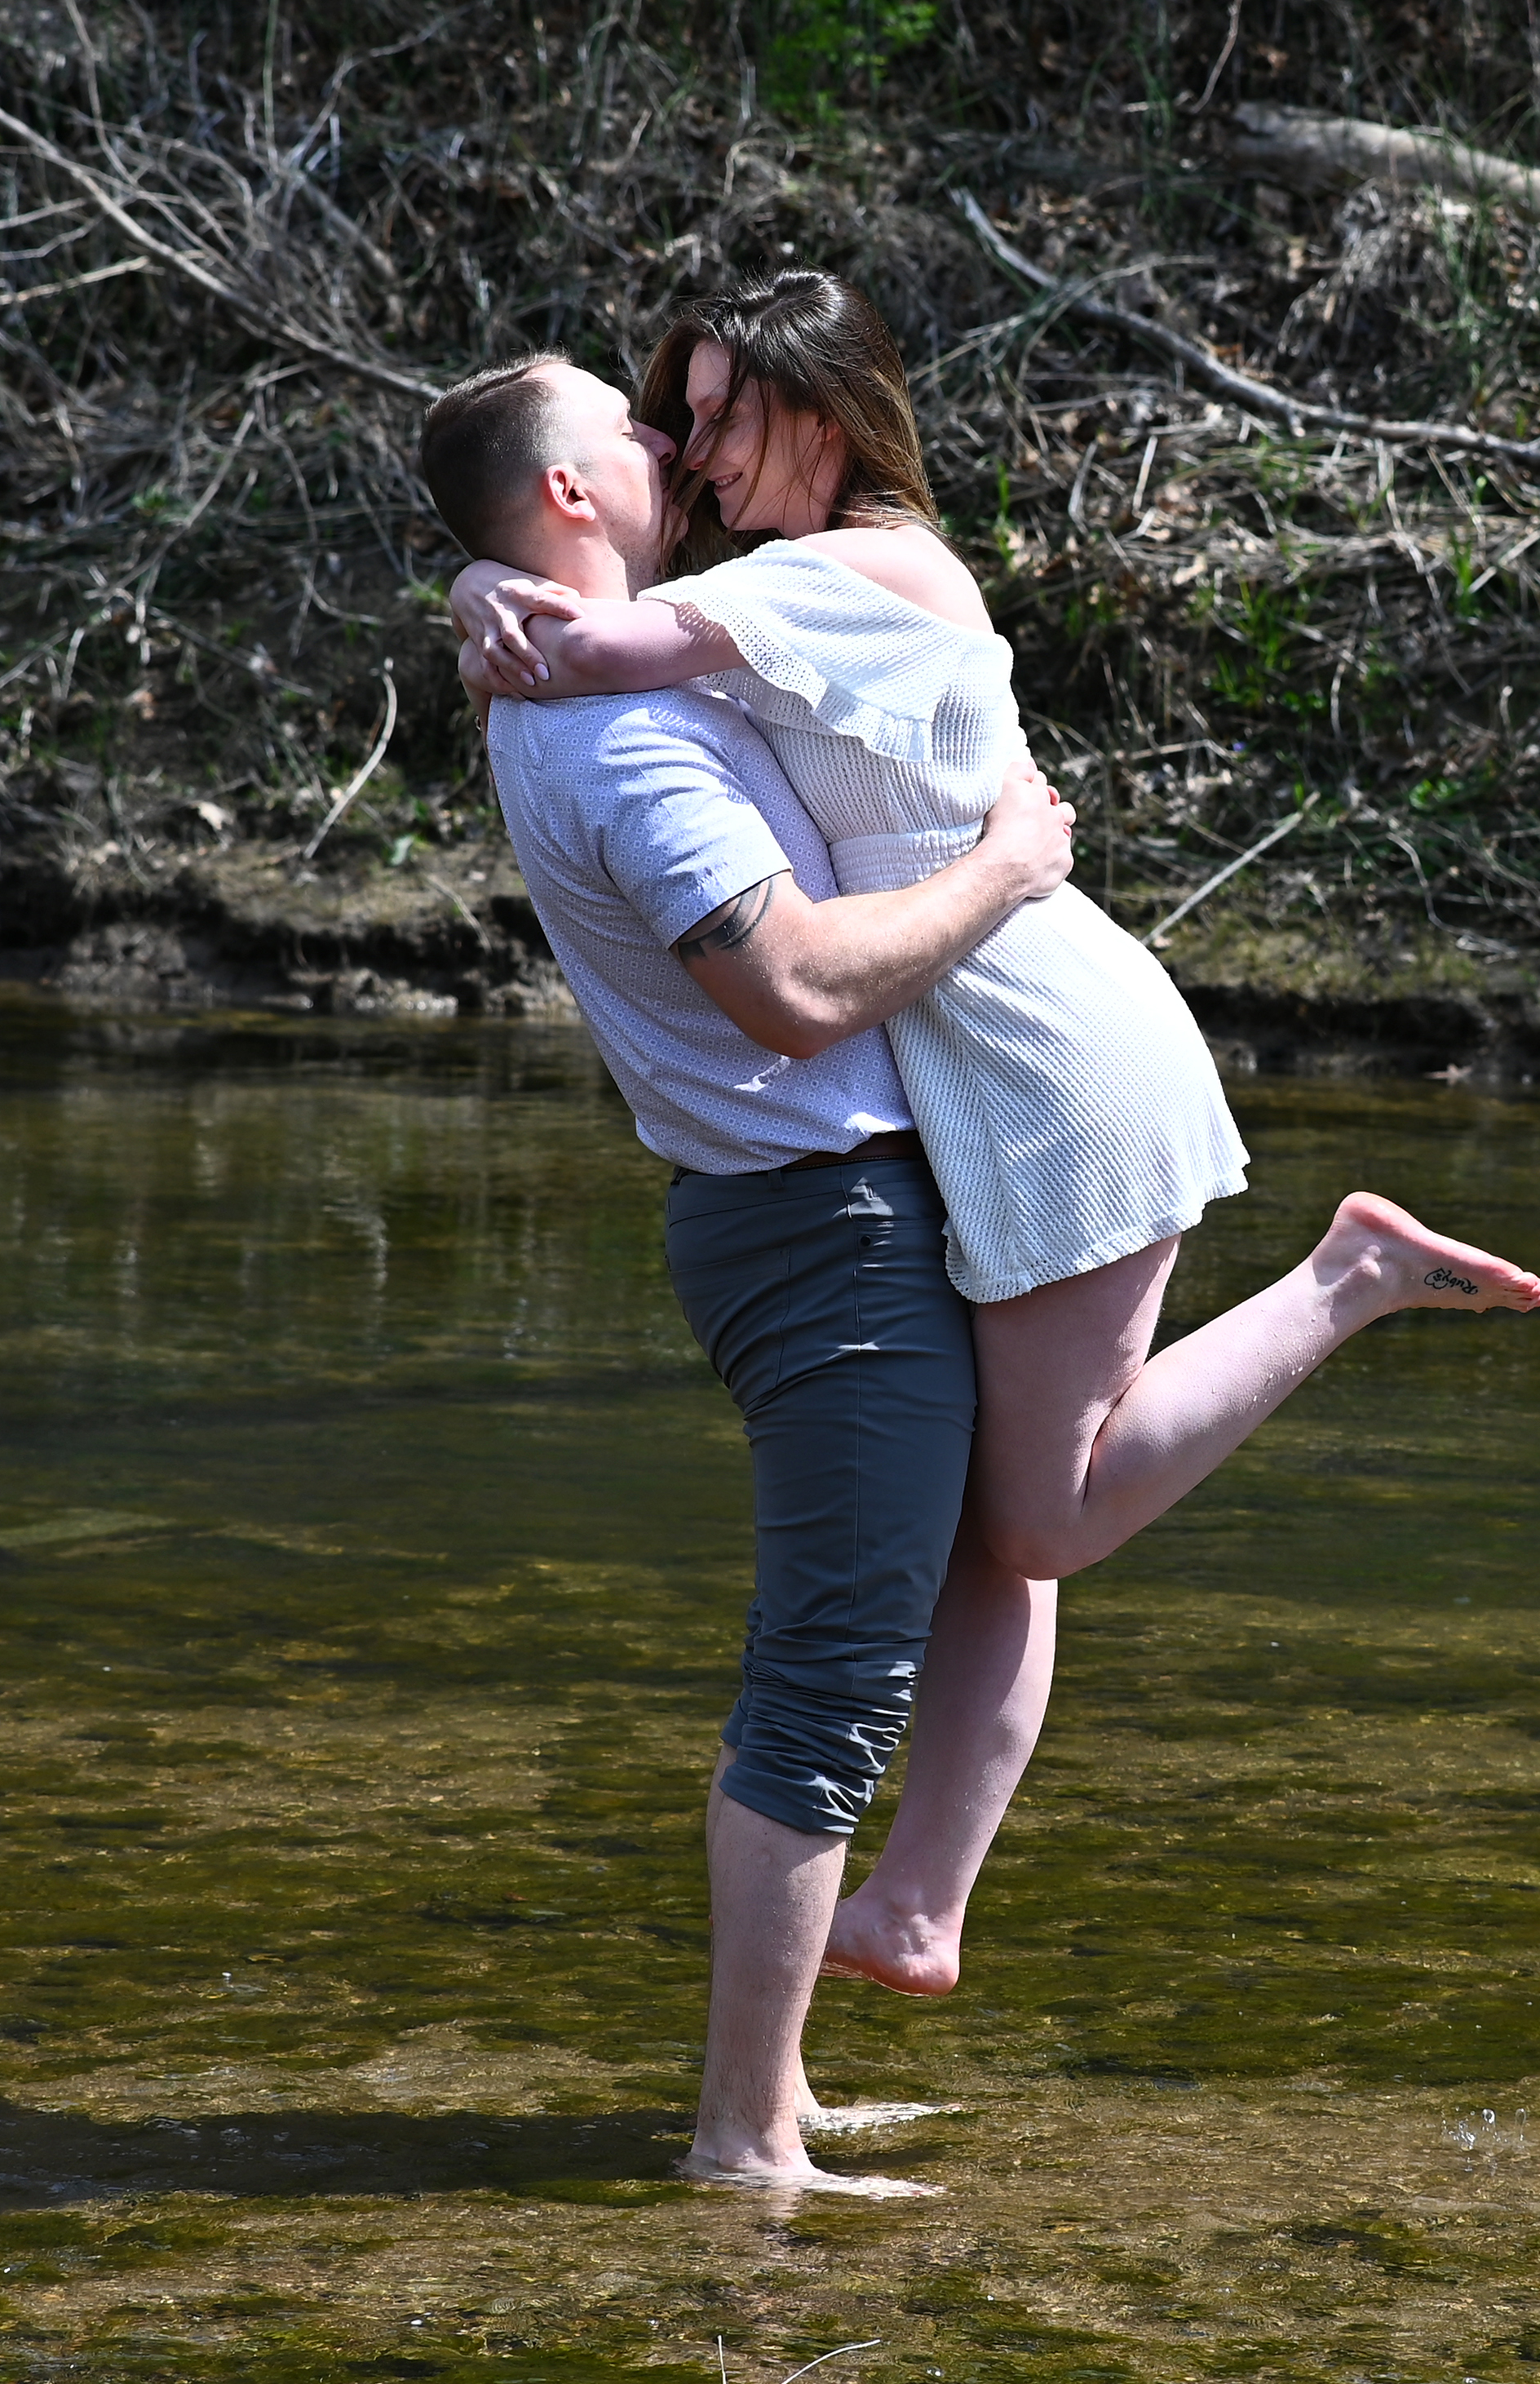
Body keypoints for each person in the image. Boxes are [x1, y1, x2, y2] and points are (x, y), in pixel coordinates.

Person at [451, 269, 1540, 1608]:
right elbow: (594, 618)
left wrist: (486, 586)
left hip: (1040, 1037)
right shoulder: (773, 586)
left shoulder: (851, 568)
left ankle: (1350, 1275)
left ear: (820, 415)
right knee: (987, 1531)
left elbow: (590, 652)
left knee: (1042, 1525)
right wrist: (480, 577)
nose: (689, 449)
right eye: (678, 419)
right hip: (968, 1040)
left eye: (722, 416)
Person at [420, 354, 1069, 2196]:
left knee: (924, 1609)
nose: (665, 437)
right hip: (824, 1229)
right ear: (569, 496)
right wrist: (1009, 869)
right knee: (827, 1686)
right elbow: (789, 992)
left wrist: (474, 581)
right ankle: (745, 2137)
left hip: (812, 1213)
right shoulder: (616, 736)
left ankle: (770, 2091)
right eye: (630, 426)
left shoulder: (582, 660)